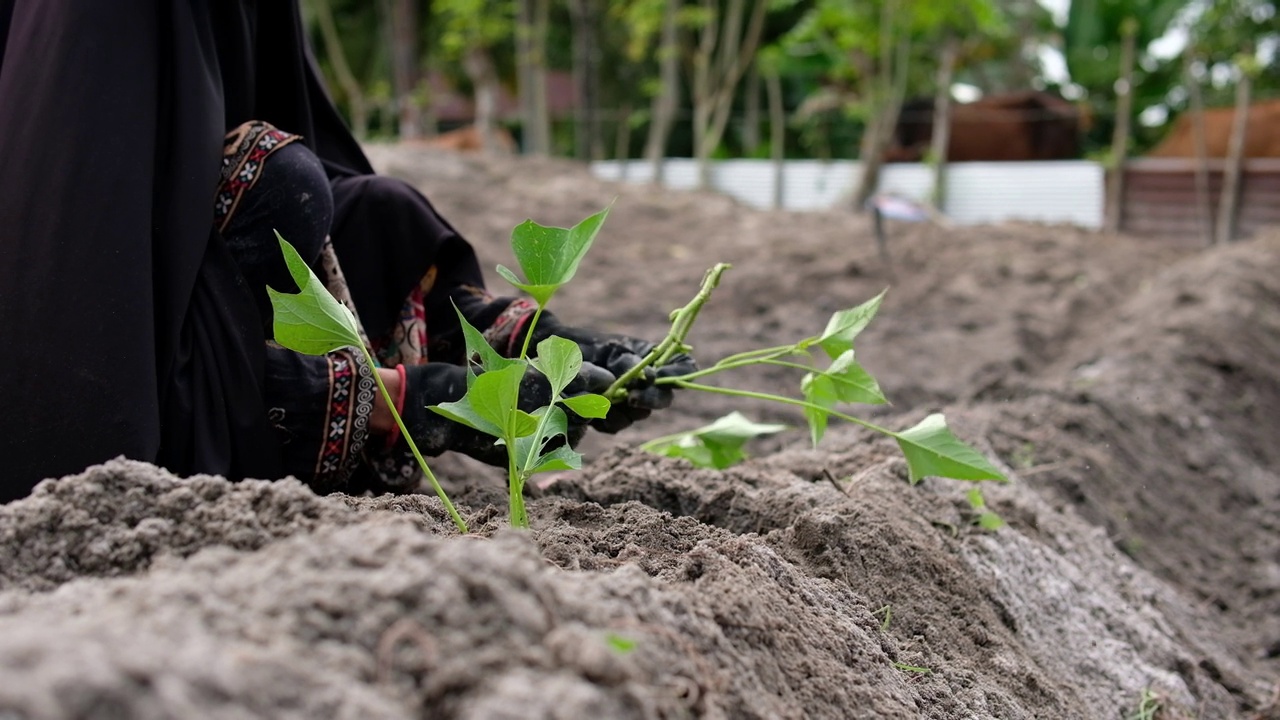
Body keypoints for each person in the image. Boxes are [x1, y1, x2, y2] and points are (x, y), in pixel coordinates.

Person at [0, 1, 692, 502]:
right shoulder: (95, 29)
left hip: (178, 320)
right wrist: (406, 403)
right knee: (281, 183)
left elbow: (335, 220)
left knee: (365, 202)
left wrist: (524, 340)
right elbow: (72, 402)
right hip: (91, 367)